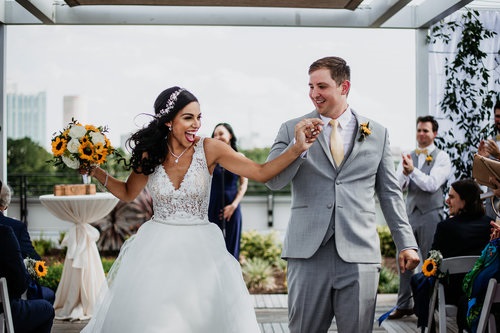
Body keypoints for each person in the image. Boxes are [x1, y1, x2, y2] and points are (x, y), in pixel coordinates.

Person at [80, 86, 322, 333]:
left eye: (198, 117)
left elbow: (260, 172)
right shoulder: (149, 154)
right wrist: (97, 171)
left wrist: (296, 148)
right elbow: (128, 192)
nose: (196, 124)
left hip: (201, 250)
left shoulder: (210, 148)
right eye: (188, 117)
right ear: (168, 122)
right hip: (156, 251)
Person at [265, 56, 420, 333]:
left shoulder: (378, 133)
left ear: (344, 86)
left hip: (360, 252)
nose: (314, 94)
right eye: (310, 86)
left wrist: (406, 243)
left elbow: (390, 193)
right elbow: (273, 181)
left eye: (321, 86)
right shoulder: (291, 129)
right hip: (308, 253)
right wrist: (297, 148)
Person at [390, 115, 452, 319]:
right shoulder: (409, 156)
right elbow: (397, 186)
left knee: (430, 261)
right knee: (405, 260)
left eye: (425, 130)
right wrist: (406, 172)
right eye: (419, 130)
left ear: (434, 133)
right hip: (410, 215)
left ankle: (429, 305)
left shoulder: (442, 157)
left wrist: (413, 171)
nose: (421, 134)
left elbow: (432, 184)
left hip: (431, 215)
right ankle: (403, 304)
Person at [411, 179, 492, 332]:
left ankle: (427, 325)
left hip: (450, 294)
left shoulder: (446, 227)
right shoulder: (491, 225)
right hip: (482, 291)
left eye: (452, 197)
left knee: (419, 280)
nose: (447, 200)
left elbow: (431, 261)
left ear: (465, 201)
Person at [0, 181, 55, 304]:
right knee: (48, 297)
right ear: (6, 206)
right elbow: (34, 259)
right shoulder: (16, 228)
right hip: (10, 297)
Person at [0, 224, 55, 333]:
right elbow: (20, 285)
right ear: (4, 208)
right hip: (4, 311)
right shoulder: (4, 232)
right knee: (46, 308)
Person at [208, 122, 248, 259]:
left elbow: (243, 185)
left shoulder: (239, 157)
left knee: (232, 249)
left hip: (232, 206)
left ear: (230, 135)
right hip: (213, 206)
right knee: (213, 247)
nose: (218, 137)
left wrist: (234, 205)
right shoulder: (210, 159)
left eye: (221, 133)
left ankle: (231, 280)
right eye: (215, 135)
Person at [478, 99, 500, 220]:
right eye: (497, 116)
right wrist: (482, 160)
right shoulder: (492, 142)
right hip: (491, 208)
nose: (499, 120)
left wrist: (499, 155)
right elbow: (481, 179)